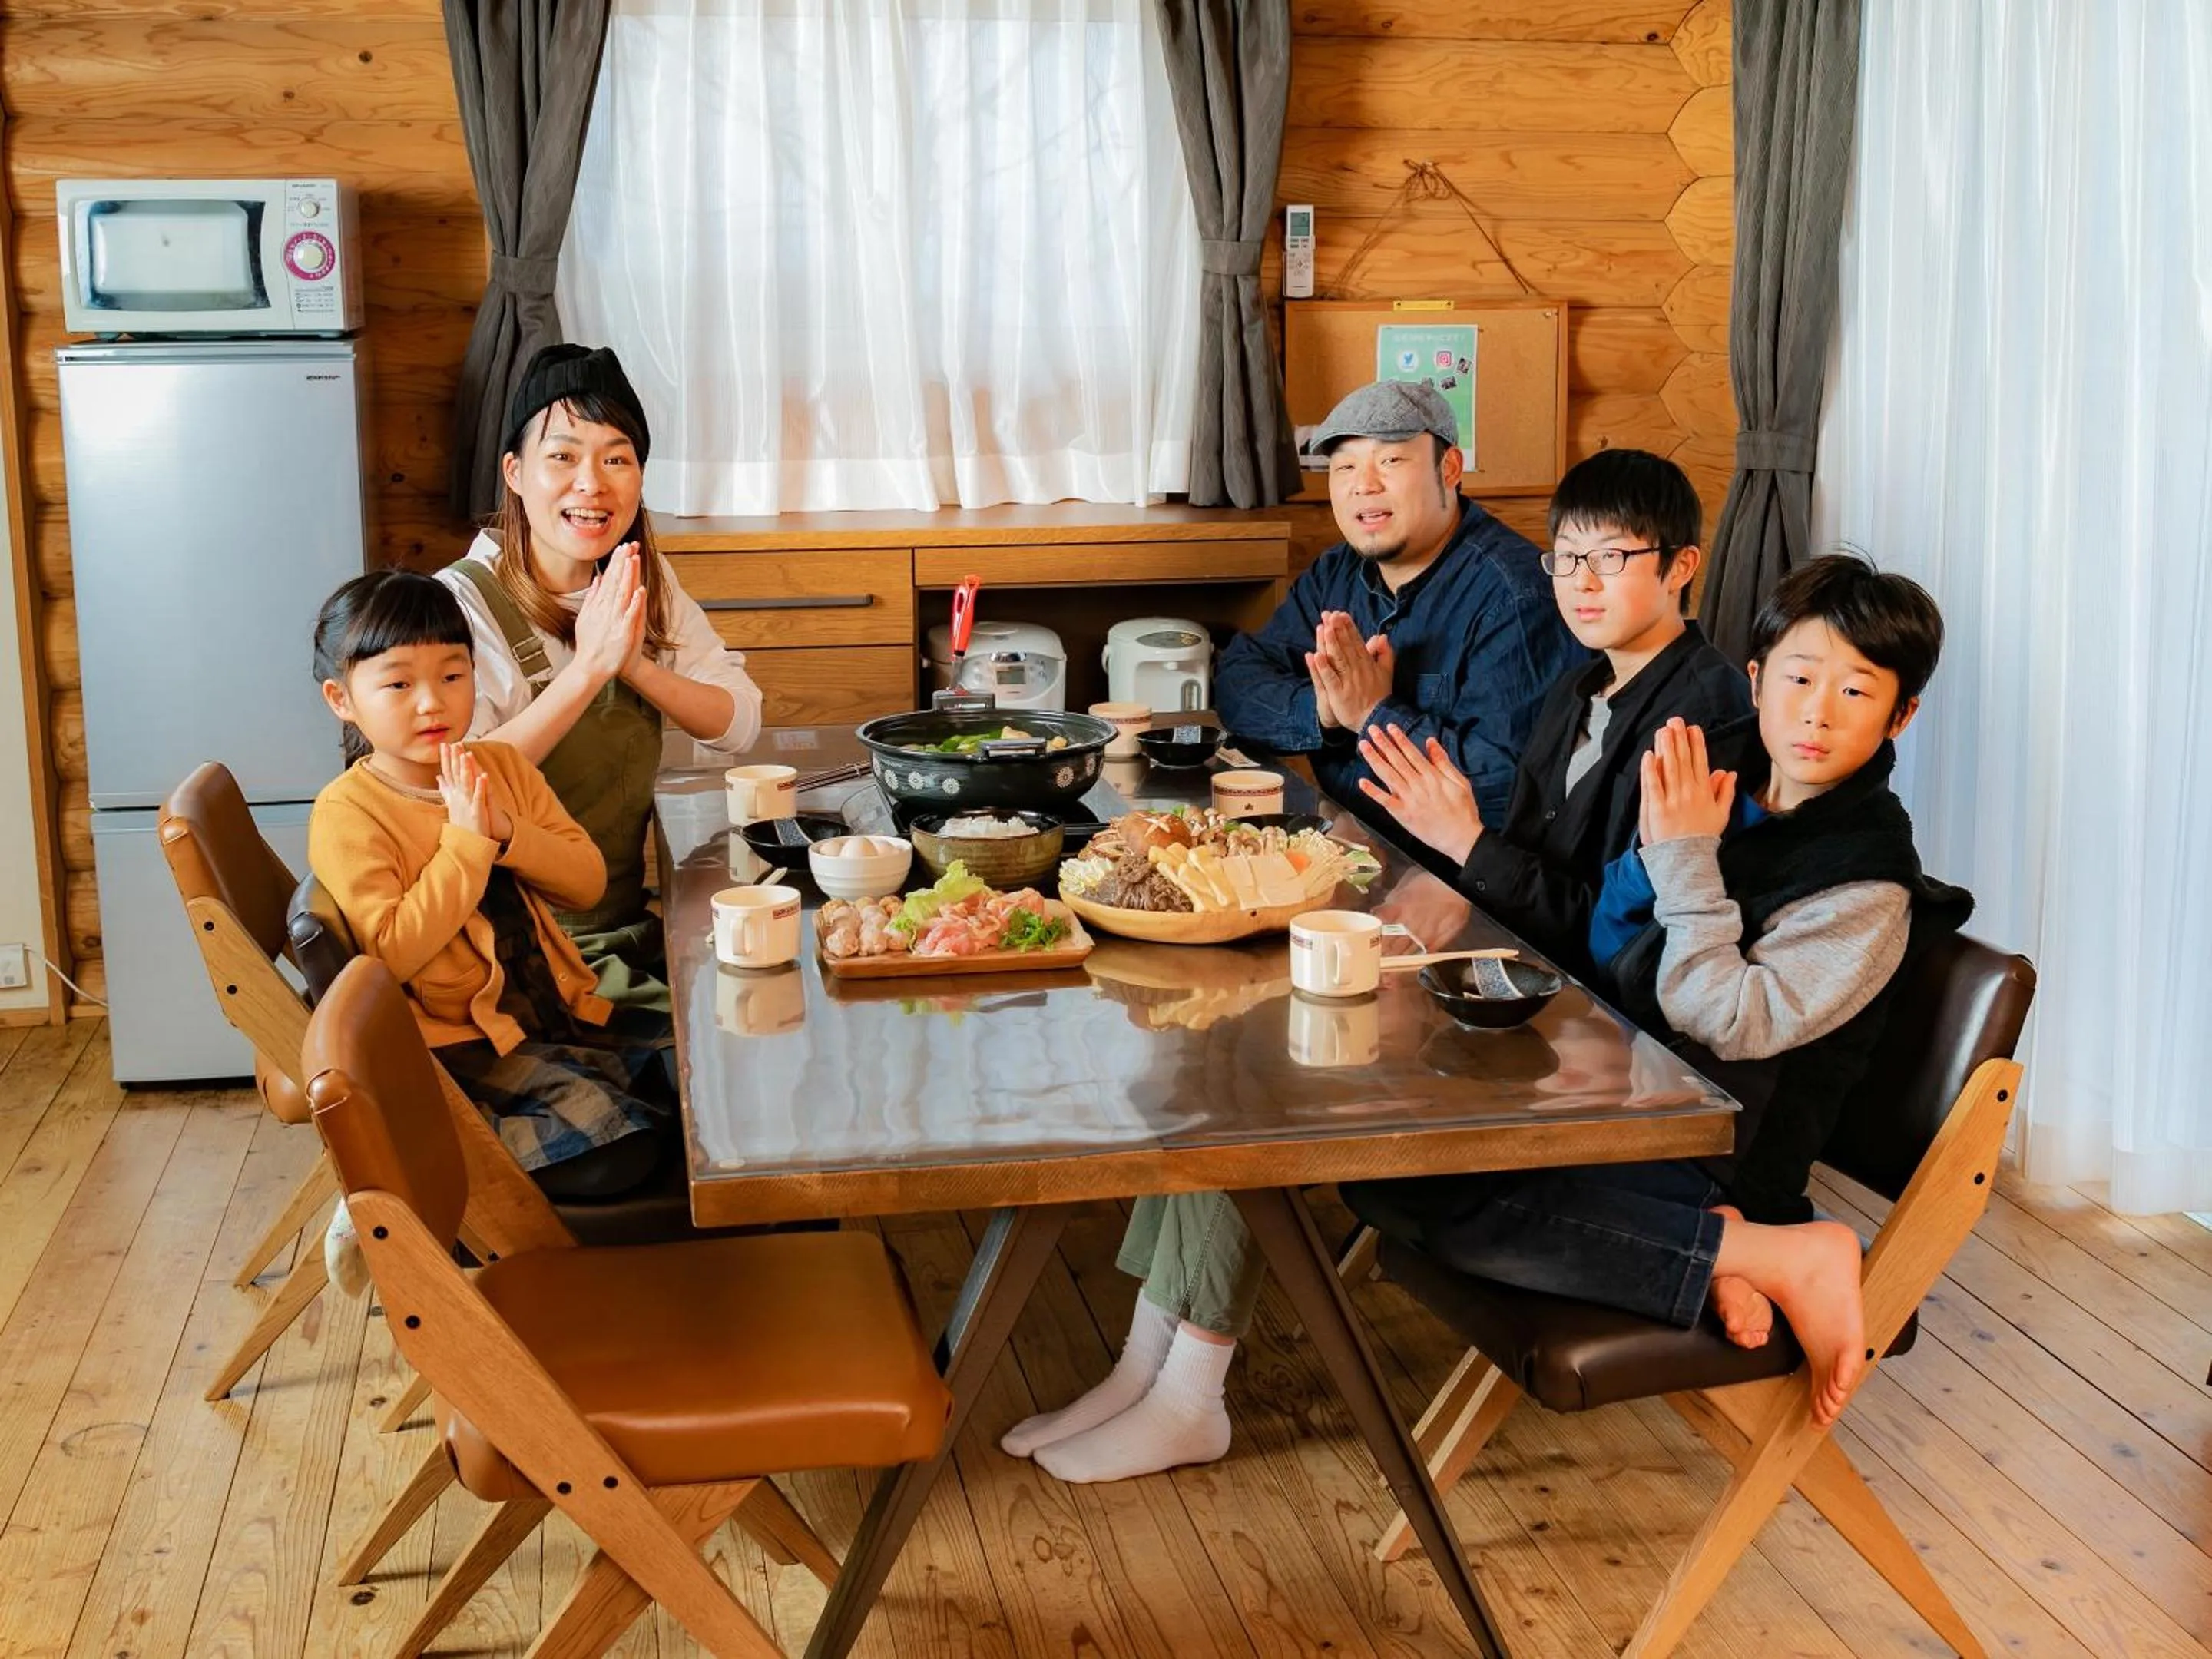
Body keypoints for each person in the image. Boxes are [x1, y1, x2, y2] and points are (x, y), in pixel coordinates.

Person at [1344, 555, 1972, 1426]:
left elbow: (1726, 1021)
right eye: (1798, 677)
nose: (1817, 713)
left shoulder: (1865, 885)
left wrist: (1682, 861)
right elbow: (1612, 928)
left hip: (1721, 1142)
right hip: (1631, 1092)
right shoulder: (1719, 776)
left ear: (1903, 714)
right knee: (1379, 1162)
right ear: (1757, 680)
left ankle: (1781, 1247)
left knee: (1444, 1198)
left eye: (1858, 693)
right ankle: (1730, 1257)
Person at [998, 876, 1456, 1486]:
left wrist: (1465, 867)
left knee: (1260, 1102)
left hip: (1446, 1018)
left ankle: (1191, 1399)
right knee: (1206, 1058)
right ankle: (1144, 1368)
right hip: (1411, 952)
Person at [308, 570, 674, 1202]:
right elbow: (390, 953)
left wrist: (504, 829)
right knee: (632, 1146)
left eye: (453, 676)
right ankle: (401, 1182)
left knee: (700, 1085)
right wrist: (467, 843)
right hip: (466, 1050)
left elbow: (585, 885)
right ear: (342, 700)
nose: (433, 702)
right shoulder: (349, 811)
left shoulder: (500, 766)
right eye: (398, 683)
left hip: (556, 1014)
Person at [437, 343, 763, 1012]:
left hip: (625, 932)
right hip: (515, 955)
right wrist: (587, 670)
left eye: (617, 458)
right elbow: (457, 785)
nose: (592, 483)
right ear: (516, 472)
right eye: (562, 456)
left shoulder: (637, 580)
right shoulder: (459, 607)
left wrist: (634, 663)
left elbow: (740, 724)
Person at [1354, 448, 1750, 975]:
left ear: (1680, 565)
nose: (1582, 582)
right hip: (1524, 967)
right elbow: (1526, 856)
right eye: (1566, 557)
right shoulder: (1575, 688)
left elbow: (1623, 934)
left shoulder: (1703, 715)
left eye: (1610, 558)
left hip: (1609, 1018)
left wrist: (1465, 842)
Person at [1212, 381, 1584, 853]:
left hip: (1461, 881)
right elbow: (1238, 683)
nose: (1364, 484)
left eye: (1390, 461)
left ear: (1448, 469)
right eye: (1345, 466)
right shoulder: (1336, 573)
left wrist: (1373, 714)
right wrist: (1325, 711)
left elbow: (1503, 788)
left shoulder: (1517, 596)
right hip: (1351, 848)